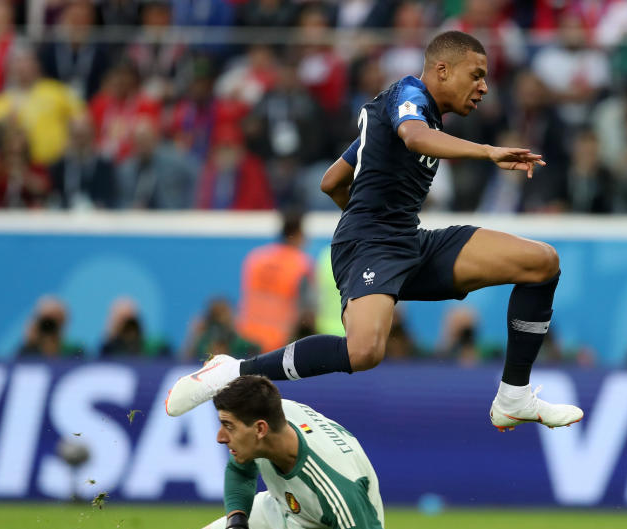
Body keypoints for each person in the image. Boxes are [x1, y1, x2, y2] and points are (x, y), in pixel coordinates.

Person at [166, 31, 583, 432]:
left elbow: (331, 180)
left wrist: (376, 216)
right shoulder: (408, 95)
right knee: (364, 352)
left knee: (540, 262)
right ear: (441, 69)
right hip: (370, 243)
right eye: (476, 75)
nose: (485, 87)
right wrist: (488, 152)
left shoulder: (392, 111)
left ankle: (513, 396)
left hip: (407, 239)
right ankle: (234, 370)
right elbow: (415, 137)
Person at [166, 375, 404, 529]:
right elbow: (240, 472)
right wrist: (237, 524)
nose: (220, 437)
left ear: (260, 429)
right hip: (285, 508)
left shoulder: (338, 490)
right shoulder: (278, 413)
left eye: (228, 426)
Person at [237, 213, 316, 353]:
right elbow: (306, 313)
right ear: (297, 234)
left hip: (247, 339)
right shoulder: (301, 264)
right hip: (280, 343)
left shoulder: (256, 259)